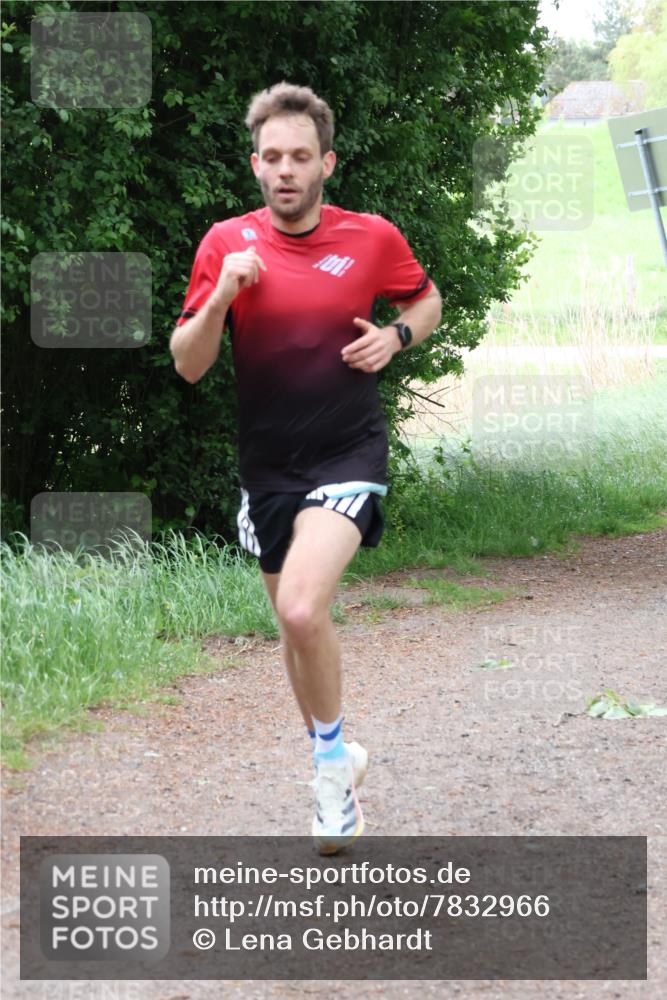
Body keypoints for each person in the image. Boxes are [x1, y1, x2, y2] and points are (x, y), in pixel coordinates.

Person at [170, 82, 442, 854]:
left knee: (297, 609)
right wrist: (222, 293)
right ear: (255, 165)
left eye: (300, 156)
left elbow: (427, 302)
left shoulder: (371, 237)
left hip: (347, 455)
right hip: (268, 471)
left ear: (326, 161)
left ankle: (329, 784)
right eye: (271, 158)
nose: (284, 170)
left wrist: (394, 339)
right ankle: (340, 755)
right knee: (297, 630)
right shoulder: (225, 243)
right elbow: (188, 366)